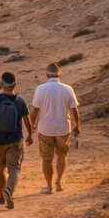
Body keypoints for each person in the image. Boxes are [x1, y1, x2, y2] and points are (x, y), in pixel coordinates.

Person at [30, 61, 81, 193]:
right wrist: (77, 125)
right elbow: (74, 109)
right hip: (63, 128)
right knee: (62, 155)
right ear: (60, 74)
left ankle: (49, 186)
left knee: (47, 158)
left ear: (47, 75)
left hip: (45, 129)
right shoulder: (68, 89)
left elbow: (34, 110)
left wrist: (31, 127)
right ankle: (58, 182)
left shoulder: (40, 89)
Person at [0, 71, 33, 210]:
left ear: (2, 84)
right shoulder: (20, 100)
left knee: (0, 168)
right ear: (15, 84)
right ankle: (9, 189)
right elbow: (27, 120)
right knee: (14, 169)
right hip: (15, 139)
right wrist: (30, 134)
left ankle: (1, 196)